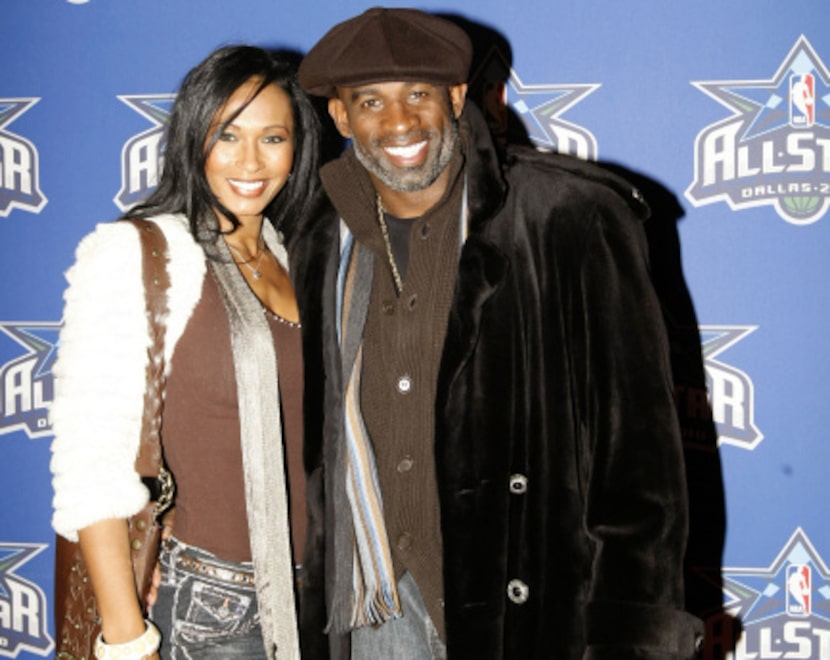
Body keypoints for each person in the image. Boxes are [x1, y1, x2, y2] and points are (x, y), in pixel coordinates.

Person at [295, 7, 705, 660]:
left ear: (457, 97)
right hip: (376, 610)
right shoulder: (321, 242)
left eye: (419, 95)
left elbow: (641, 472)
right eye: (370, 101)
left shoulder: (570, 221)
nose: (398, 122)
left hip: (533, 614)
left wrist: (631, 637)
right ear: (341, 117)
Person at [50, 45, 325, 659]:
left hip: (314, 603)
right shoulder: (140, 254)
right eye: (226, 135)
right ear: (191, 137)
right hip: (207, 612)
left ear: (297, 147)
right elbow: (90, 462)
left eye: (273, 137)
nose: (250, 161)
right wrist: (126, 639)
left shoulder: (296, 255)